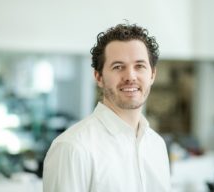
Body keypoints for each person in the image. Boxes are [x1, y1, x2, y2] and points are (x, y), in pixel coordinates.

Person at [43, 23, 171, 192]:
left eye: (139, 66)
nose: (130, 76)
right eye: (118, 67)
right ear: (99, 77)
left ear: (152, 74)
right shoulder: (72, 147)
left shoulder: (157, 145)